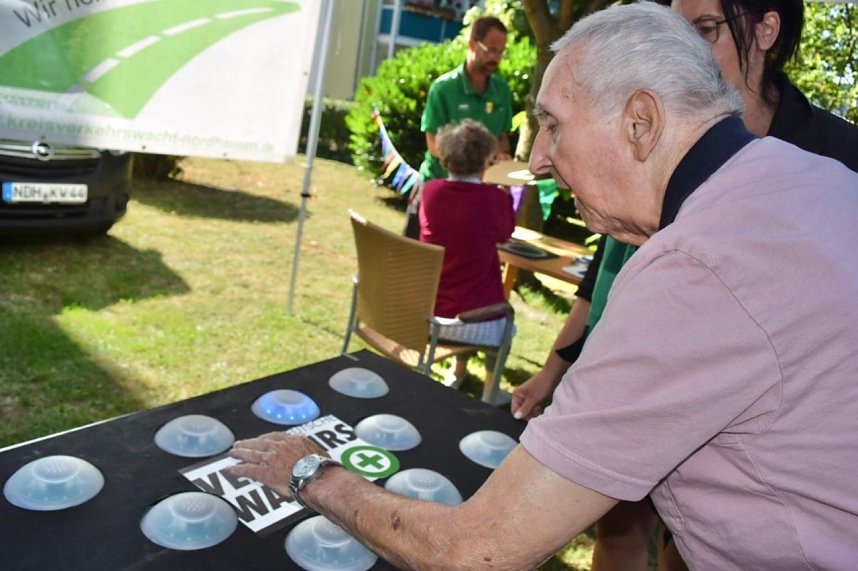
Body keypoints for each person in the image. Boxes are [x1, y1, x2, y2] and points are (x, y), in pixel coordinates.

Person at [227, 3, 858, 568]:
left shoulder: (695, 270)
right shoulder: (822, 179)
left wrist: (310, 472)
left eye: (553, 124)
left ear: (640, 122)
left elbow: (476, 552)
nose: (536, 161)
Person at [511, 0, 858, 567]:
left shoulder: (830, 158)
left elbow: (484, 544)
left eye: (705, 29)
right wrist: (557, 368)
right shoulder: (661, 194)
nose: (537, 160)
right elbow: (603, 279)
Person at [418, 119, 515, 386]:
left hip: (428, 313)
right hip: (472, 323)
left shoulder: (431, 191)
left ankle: (459, 370)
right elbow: (504, 232)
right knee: (506, 325)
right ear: (486, 160)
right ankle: (490, 388)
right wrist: (505, 188)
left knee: (472, 294)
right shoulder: (494, 199)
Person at [404, 16, 514, 238]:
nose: (496, 58)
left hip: (479, 196)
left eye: (501, 52)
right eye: (491, 50)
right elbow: (433, 143)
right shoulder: (443, 88)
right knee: (416, 256)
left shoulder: (501, 90)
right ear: (472, 45)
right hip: (437, 190)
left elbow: (502, 135)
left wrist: (502, 154)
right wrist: (472, 166)